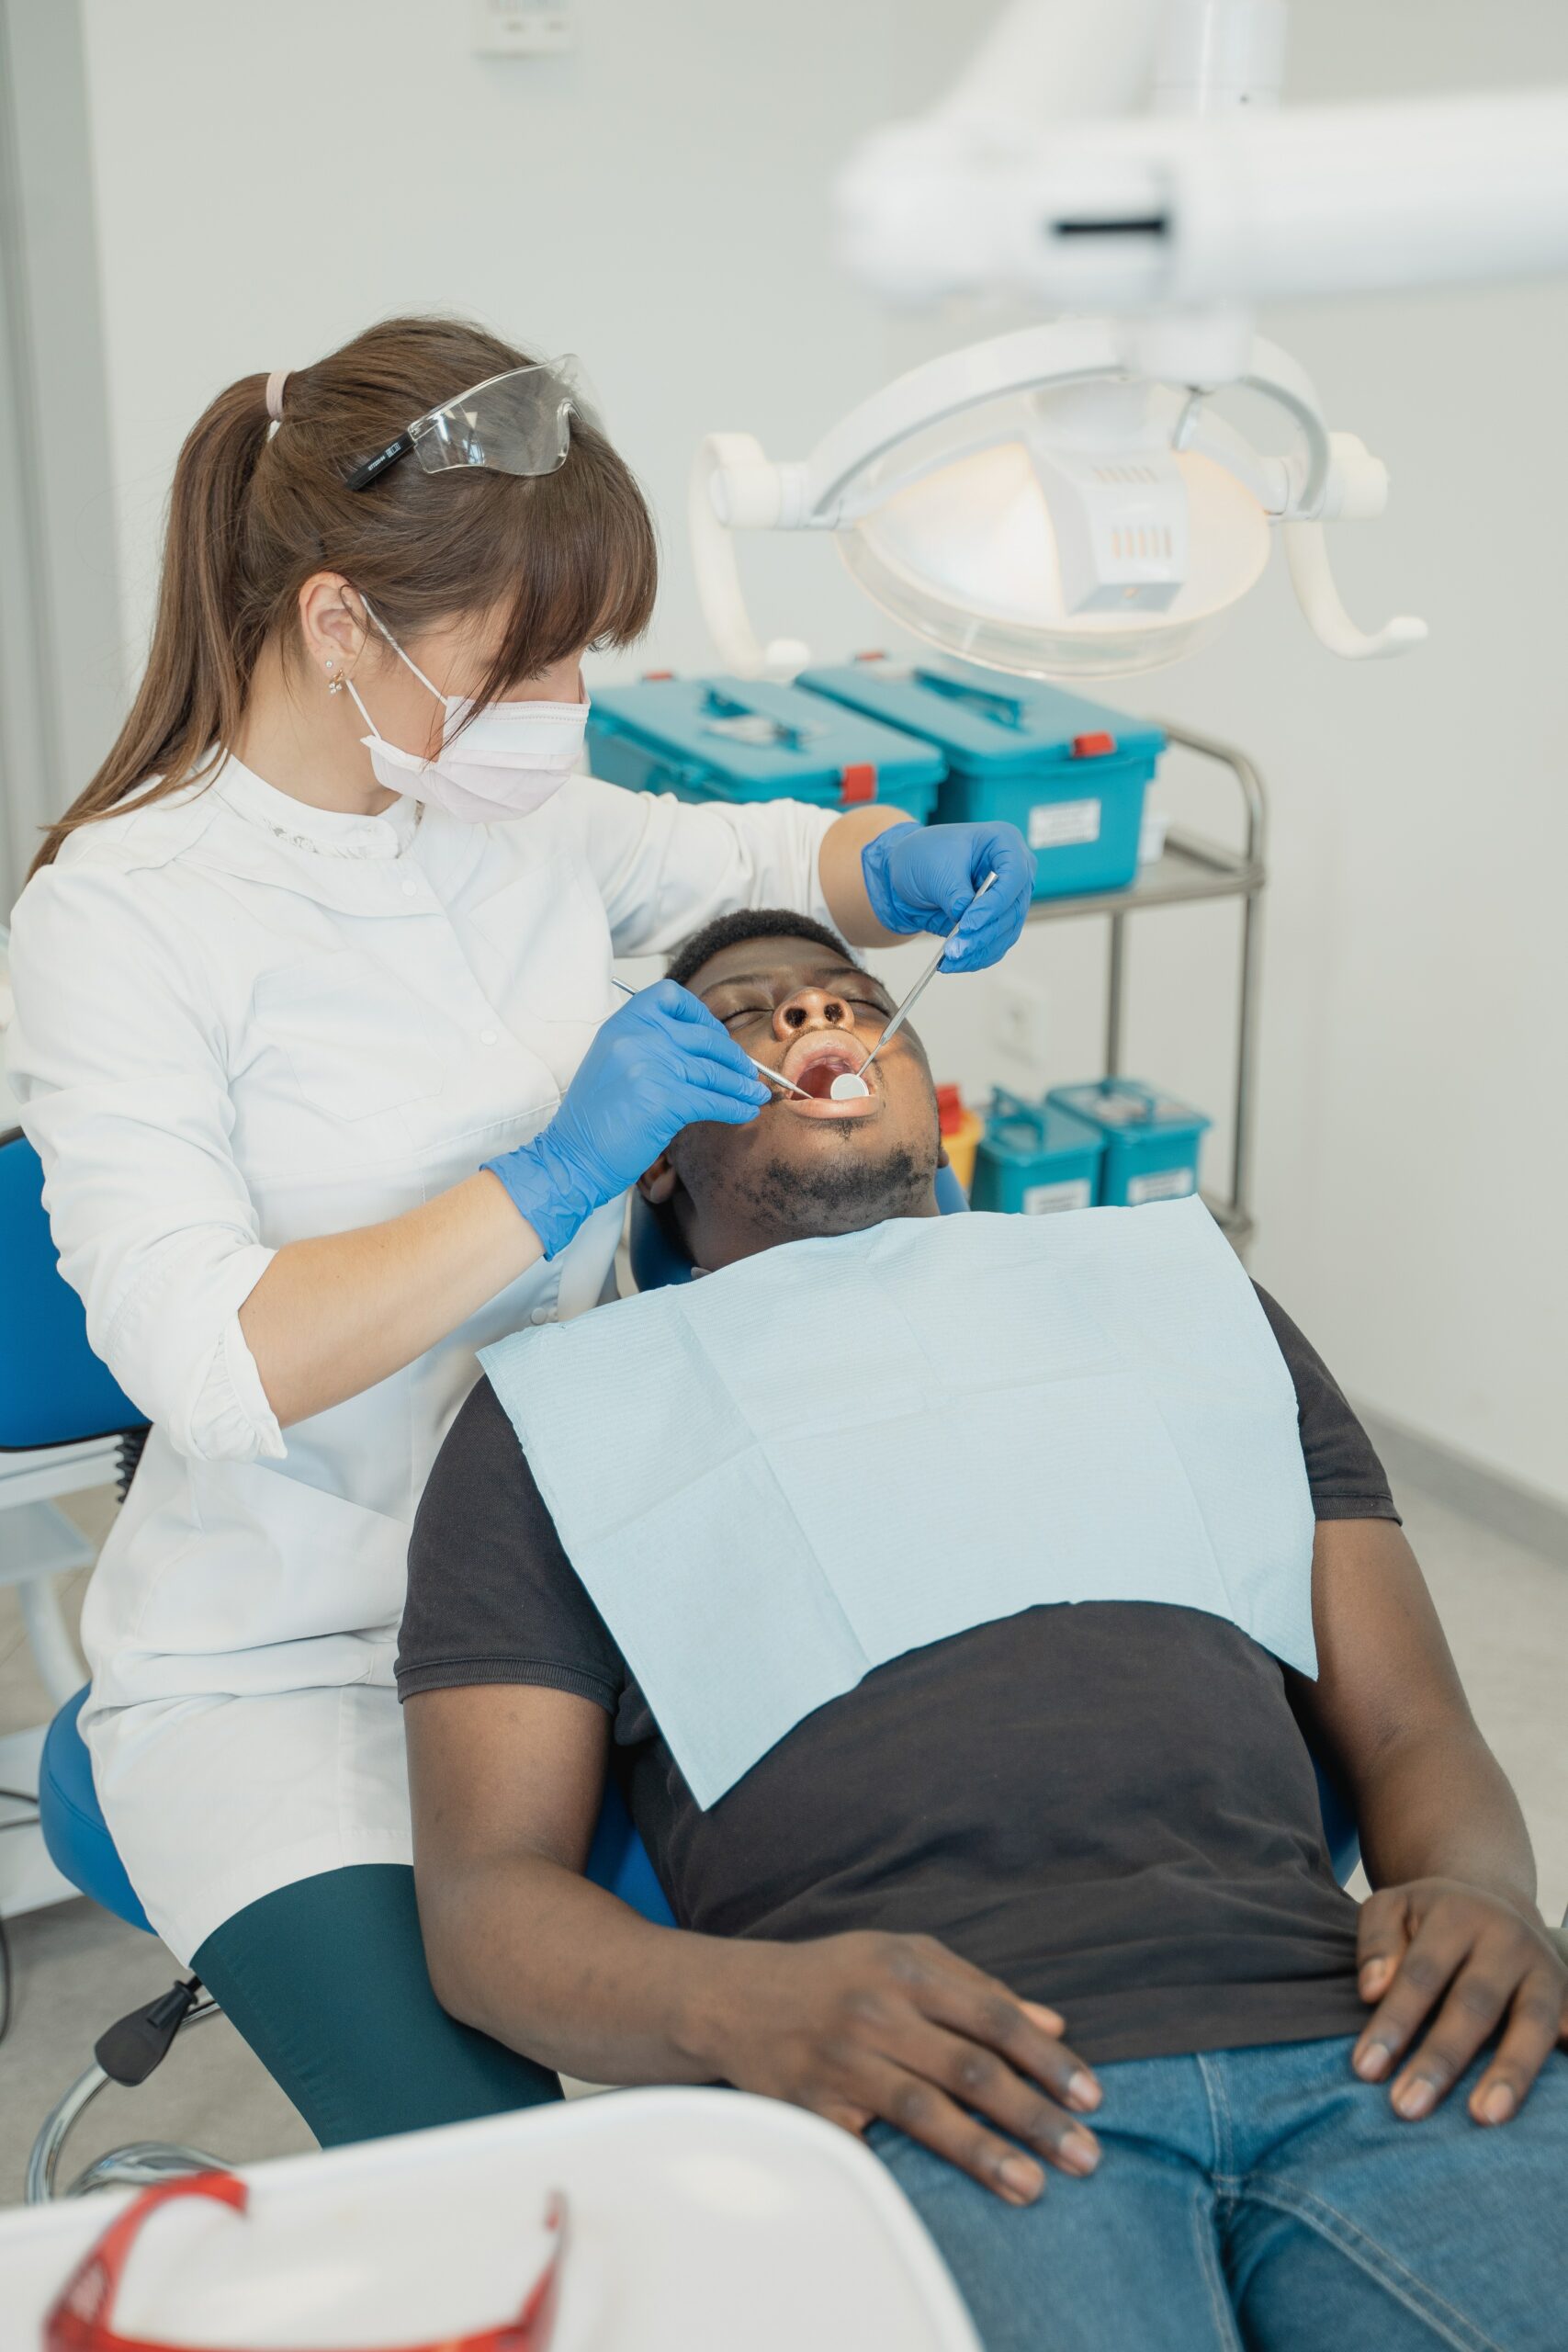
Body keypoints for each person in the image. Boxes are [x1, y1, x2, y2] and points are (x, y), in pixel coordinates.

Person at [4, 316, 1035, 2148]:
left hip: (593, 1601)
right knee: (506, 2170)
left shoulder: (517, 819)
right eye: (527, 654)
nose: (563, 697)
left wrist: (892, 867)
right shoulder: (125, 917)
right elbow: (211, 1353)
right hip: (293, 1664)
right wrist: (552, 1175)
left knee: (880, 2040)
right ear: (340, 622)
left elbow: (747, 857)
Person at [400, 909, 1568, 2352]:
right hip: (930, 2088)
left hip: (1357, 2034)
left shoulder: (1186, 1300)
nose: (814, 1023)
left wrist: (1488, 1898)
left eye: (848, 1001)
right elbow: (482, 1905)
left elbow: (1412, 1726)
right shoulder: (559, 1414)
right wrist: (738, 2010)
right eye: (750, 1014)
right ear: (656, 1145)